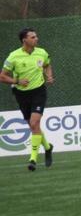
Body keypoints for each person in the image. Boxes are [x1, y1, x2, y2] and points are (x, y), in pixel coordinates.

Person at [0, 28, 55, 171]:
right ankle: (48, 148)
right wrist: (17, 81)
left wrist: (49, 76)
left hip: (39, 91)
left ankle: (33, 159)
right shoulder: (13, 56)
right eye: (32, 37)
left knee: (34, 122)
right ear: (24, 40)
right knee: (33, 126)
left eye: (36, 36)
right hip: (21, 94)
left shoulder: (41, 52)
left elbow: (47, 65)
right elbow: (2, 76)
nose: (36, 39)